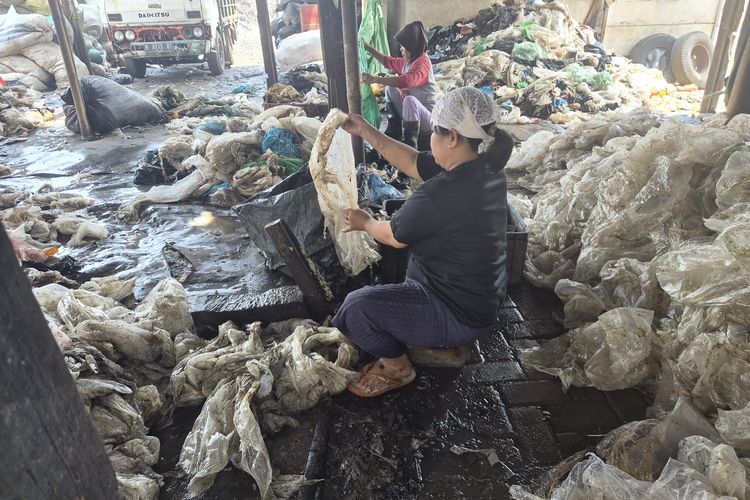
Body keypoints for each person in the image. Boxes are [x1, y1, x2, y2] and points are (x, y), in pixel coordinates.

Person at [333, 87, 513, 398]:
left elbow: (392, 237)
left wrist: (364, 222)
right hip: (481, 299)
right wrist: (364, 130)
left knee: (355, 309)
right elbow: (413, 161)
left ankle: (398, 367)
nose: (430, 139)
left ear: (452, 137)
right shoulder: (487, 168)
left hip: (456, 313)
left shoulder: (440, 193)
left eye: (434, 132)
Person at [362, 20, 438, 151]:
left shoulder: (423, 62)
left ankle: (410, 147)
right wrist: (367, 47)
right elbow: (388, 62)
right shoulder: (409, 61)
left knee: (410, 100)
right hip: (413, 114)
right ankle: (394, 131)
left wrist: (376, 79)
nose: (401, 49)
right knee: (390, 89)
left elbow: (407, 81)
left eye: (403, 46)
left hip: (427, 119)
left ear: (412, 46)